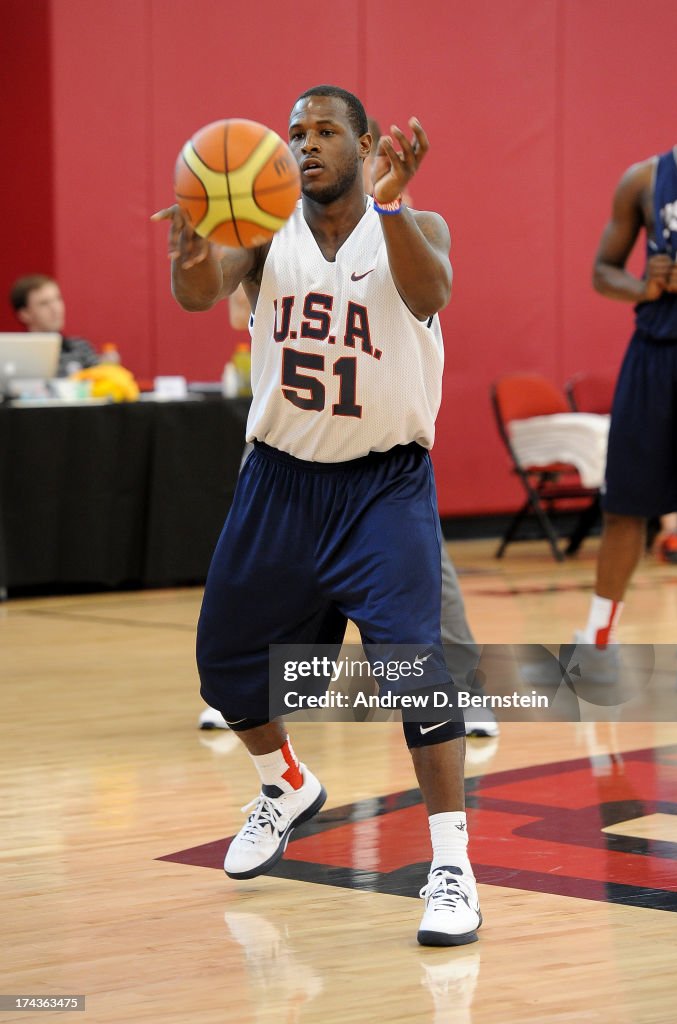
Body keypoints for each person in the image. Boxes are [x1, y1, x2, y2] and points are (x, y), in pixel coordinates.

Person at [154, 84, 481, 946]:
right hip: (281, 484)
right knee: (225, 668)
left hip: (382, 488)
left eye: (325, 130)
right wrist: (192, 243)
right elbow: (196, 293)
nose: (305, 144)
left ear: (366, 144)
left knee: (413, 669)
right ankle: (284, 784)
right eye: (296, 132)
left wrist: (393, 203)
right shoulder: (262, 236)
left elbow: (431, 288)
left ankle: (450, 865)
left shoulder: (415, 227)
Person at [577, 129, 677, 660]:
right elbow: (602, 272)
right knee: (625, 504)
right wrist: (645, 286)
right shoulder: (645, 178)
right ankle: (597, 642)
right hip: (655, 353)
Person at [9, 274, 100, 376]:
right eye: (44, 303)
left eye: (58, 299)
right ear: (25, 314)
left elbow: (105, 384)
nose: (55, 309)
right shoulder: (14, 355)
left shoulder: (81, 347)